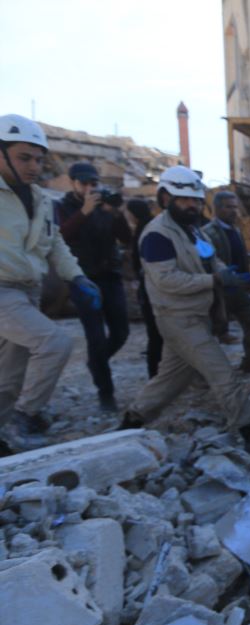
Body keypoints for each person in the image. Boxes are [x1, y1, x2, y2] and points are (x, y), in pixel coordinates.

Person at [120, 166, 250, 459]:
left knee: (170, 381)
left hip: (198, 315)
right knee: (222, 374)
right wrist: (213, 280)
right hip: (178, 318)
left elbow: (211, 258)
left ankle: (131, 421)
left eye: (195, 200)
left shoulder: (193, 230)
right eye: (184, 200)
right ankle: (249, 431)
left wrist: (225, 273)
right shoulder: (157, 235)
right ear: (165, 198)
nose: (191, 205)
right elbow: (166, 280)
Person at [0, 114, 99, 453]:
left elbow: (54, 241)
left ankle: (4, 440)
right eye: (24, 158)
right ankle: (24, 417)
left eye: (38, 159)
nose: (34, 166)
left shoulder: (40, 197)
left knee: (9, 375)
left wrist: (77, 276)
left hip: (28, 291)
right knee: (55, 343)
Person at [56, 162, 132, 412]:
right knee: (96, 337)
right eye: (84, 183)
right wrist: (84, 212)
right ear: (73, 183)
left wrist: (117, 214)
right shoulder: (62, 206)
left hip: (110, 275)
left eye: (94, 183)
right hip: (82, 279)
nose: (90, 188)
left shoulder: (104, 206)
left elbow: (126, 238)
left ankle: (96, 362)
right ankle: (106, 393)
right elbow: (61, 237)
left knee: (121, 332)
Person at [202, 191, 250, 373]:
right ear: (217, 208)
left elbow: (242, 258)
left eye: (235, 207)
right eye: (228, 207)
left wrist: (247, 280)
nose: (234, 211)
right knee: (211, 331)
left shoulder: (235, 230)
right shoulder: (209, 233)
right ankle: (207, 371)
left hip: (237, 289)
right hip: (219, 290)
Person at [127, 199, 162, 378]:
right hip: (154, 287)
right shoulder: (152, 226)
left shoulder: (145, 230)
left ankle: (155, 375)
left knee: (155, 335)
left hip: (151, 288)